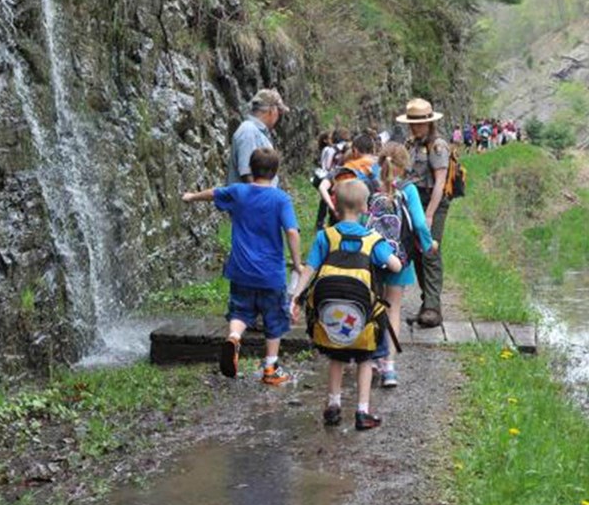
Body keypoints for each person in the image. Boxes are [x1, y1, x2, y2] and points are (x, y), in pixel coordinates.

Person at [182, 148, 303, 384]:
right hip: (270, 274)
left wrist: (191, 196)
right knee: (275, 319)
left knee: (240, 311)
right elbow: (291, 231)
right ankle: (271, 368)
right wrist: (297, 263)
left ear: (251, 168)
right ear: (275, 172)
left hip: (241, 269)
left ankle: (235, 337)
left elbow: (213, 193)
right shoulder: (281, 199)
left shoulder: (239, 192)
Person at [289, 180, 402, 430]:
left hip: (330, 311)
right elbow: (395, 266)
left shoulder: (326, 237)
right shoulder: (373, 239)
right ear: (365, 208)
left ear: (335, 207)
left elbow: (309, 269)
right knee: (365, 359)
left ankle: (333, 405)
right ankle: (362, 412)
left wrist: (295, 297)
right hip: (363, 314)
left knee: (336, 356)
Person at [367, 142, 438, 386]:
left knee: (373, 305)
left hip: (373, 256)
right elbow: (419, 224)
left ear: (381, 162)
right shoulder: (408, 189)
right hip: (400, 257)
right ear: (404, 165)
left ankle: (372, 361)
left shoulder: (370, 186)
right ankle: (389, 368)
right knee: (393, 308)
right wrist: (429, 245)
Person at [396, 98, 450, 328]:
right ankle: (425, 302)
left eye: (419, 123)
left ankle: (432, 308)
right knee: (416, 252)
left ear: (429, 123)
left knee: (429, 250)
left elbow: (440, 182)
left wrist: (429, 214)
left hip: (432, 201)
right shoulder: (409, 144)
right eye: (412, 123)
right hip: (412, 199)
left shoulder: (438, 146)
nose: (415, 127)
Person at [227, 88, 289, 185]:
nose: (279, 117)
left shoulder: (256, 132)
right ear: (272, 111)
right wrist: (264, 199)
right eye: (279, 112)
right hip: (250, 200)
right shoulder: (248, 131)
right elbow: (247, 175)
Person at [317, 132, 379, 223]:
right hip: (375, 220)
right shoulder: (382, 166)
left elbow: (322, 187)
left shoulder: (345, 170)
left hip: (348, 219)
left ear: (354, 151)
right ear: (373, 150)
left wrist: (333, 208)